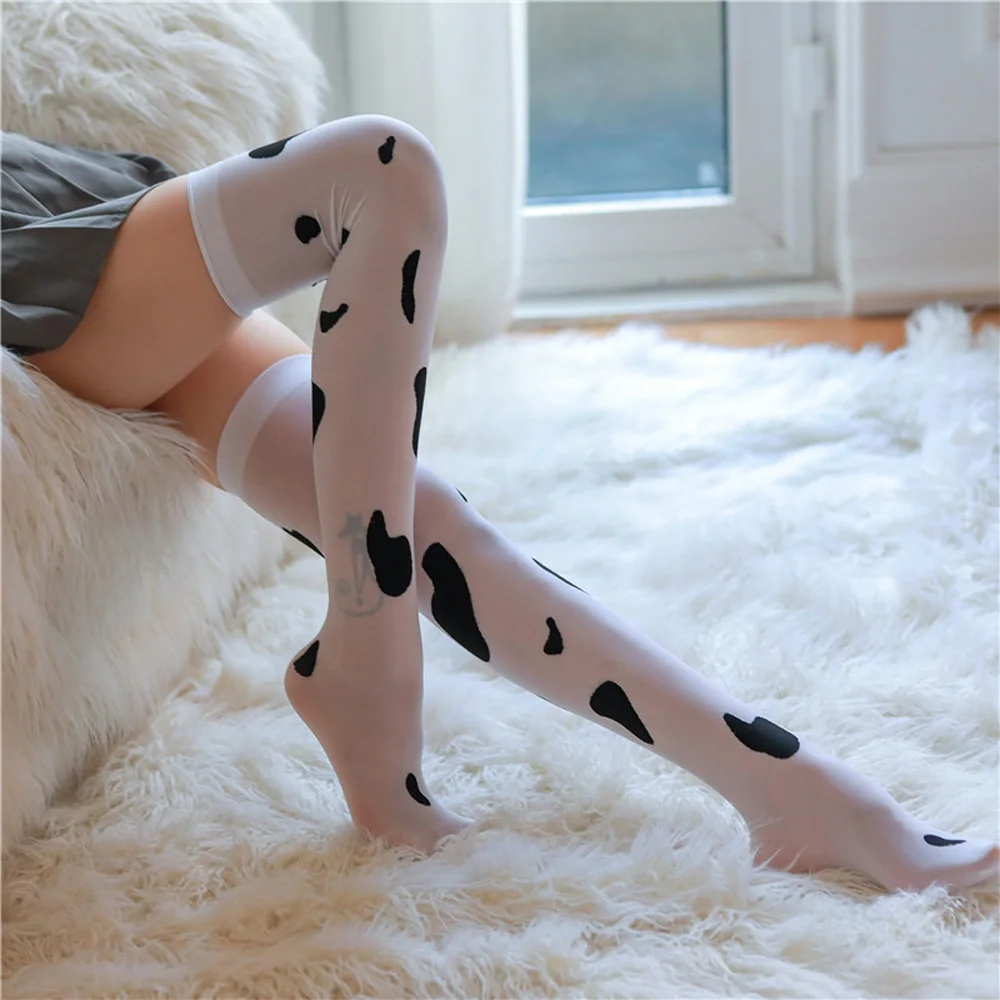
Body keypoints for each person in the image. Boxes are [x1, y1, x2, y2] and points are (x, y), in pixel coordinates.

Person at [2, 119, 996, 893]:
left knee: (411, 514)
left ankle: (790, 789)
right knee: (380, 168)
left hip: (68, 202)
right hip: (26, 261)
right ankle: (369, 663)